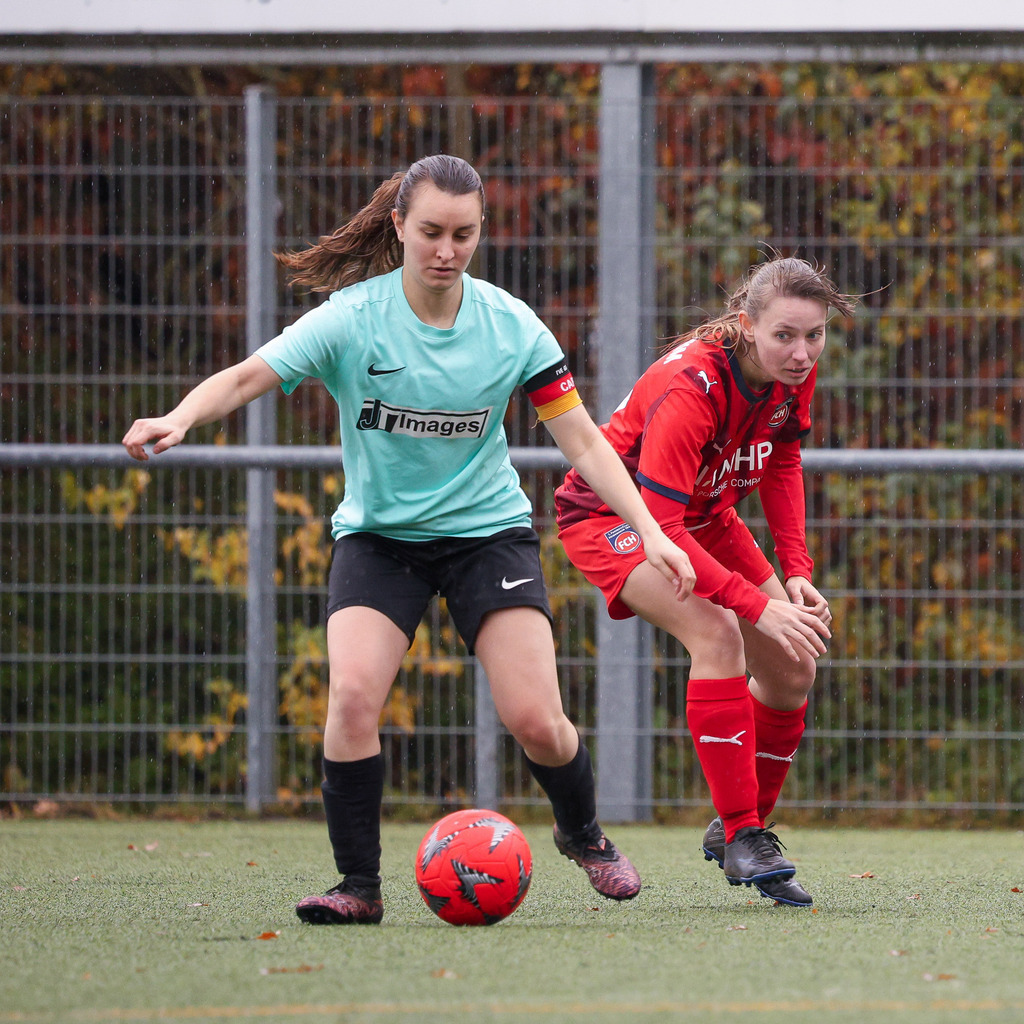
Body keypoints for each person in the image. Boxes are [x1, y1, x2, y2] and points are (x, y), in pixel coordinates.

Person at [122, 154, 696, 925]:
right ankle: (359, 887)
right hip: (380, 540)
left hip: (487, 536)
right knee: (353, 698)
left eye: (464, 234)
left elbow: (585, 443)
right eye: (430, 232)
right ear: (397, 225)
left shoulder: (511, 327)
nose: (446, 251)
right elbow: (247, 376)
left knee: (537, 720)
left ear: (481, 232)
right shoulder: (351, 318)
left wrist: (650, 530)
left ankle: (582, 833)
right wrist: (180, 416)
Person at [555, 255, 856, 908]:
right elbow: (662, 529)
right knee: (718, 634)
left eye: (815, 336)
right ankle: (745, 832)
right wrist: (756, 605)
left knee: (793, 667)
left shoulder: (790, 374)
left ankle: (740, 830)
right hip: (615, 520)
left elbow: (782, 458)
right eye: (785, 335)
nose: (802, 353)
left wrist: (796, 570)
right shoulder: (691, 388)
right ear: (747, 325)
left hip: (703, 516)